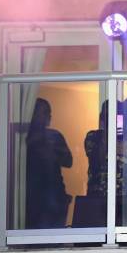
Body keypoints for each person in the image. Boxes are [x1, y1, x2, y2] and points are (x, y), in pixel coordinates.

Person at [25, 98, 72, 229]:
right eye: (44, 112)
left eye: (49, 112)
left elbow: (69, 161)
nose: (49, 116)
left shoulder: (55, 136)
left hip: (56, 197)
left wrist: (53, 149)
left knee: (55, 241)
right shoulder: (22, 138)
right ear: (33, 114)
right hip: (33, 199)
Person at [85, 100, 125, 197]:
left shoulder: (126, 140)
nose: (112, 119)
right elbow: (97, 160)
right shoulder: (93, 137)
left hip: (120, 196)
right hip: (97, 193)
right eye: (108, 115)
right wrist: (106, 134)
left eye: (116, 116)